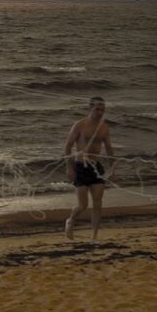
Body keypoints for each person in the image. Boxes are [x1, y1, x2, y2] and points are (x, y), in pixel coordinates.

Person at [64, 96, 114, 242]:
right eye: (97, 109)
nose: (100, 112)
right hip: (80, 167)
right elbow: (68, 146)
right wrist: (69, 168)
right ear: (90, 109)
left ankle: (94, 237)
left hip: (96, 167)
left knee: (98, 203)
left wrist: (113, 168)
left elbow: (109, 148)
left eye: (102, 110)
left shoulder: (104, 127)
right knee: (83, 205)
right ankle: (70, 220)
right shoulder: (80, 125)